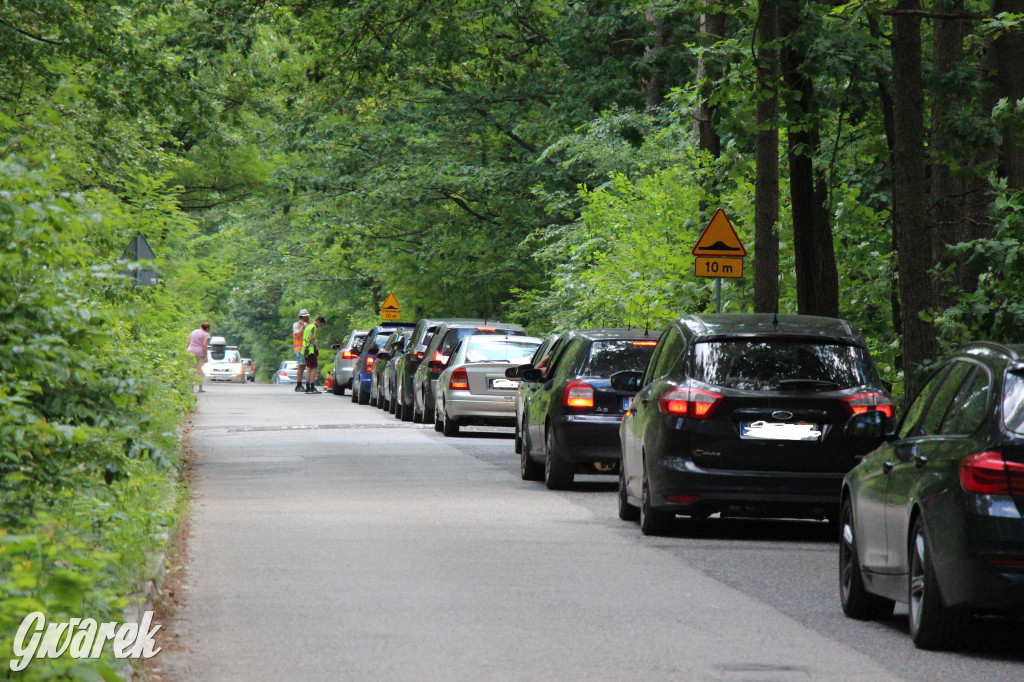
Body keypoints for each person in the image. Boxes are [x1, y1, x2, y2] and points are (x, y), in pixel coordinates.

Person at [301, 315, 326, 393]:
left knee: (309, 368)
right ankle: (312, 387)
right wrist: (315, 345)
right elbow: (310, 338)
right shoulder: (313, 327)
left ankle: (307, 387)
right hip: (310, 350)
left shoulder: (307, 327)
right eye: (321, 324)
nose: (320, 326)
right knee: (314, 368)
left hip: (305, 349)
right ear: (318, 321)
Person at [187, 322, 211, 392]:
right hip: (199, 354)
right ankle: (200, 388)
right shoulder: (206, 335)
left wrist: (187, 350)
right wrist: (205, 356)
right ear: (207, 328)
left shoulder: (193, 332)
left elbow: (188, 343)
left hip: (190, 352)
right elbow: (204, 345)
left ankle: (189, 387)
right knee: (200, 370)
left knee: (190, 369)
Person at [292, 309, 310, 392]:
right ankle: (298, 384)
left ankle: (307, 384)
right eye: (305, 316)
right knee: (301, 366)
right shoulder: (296, 325)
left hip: (307, 348)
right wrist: (302, 326)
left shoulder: (308, 325)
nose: (306, 317)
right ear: (301, 317)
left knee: (307, 366)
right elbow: (298, 333)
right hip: (299, 349)